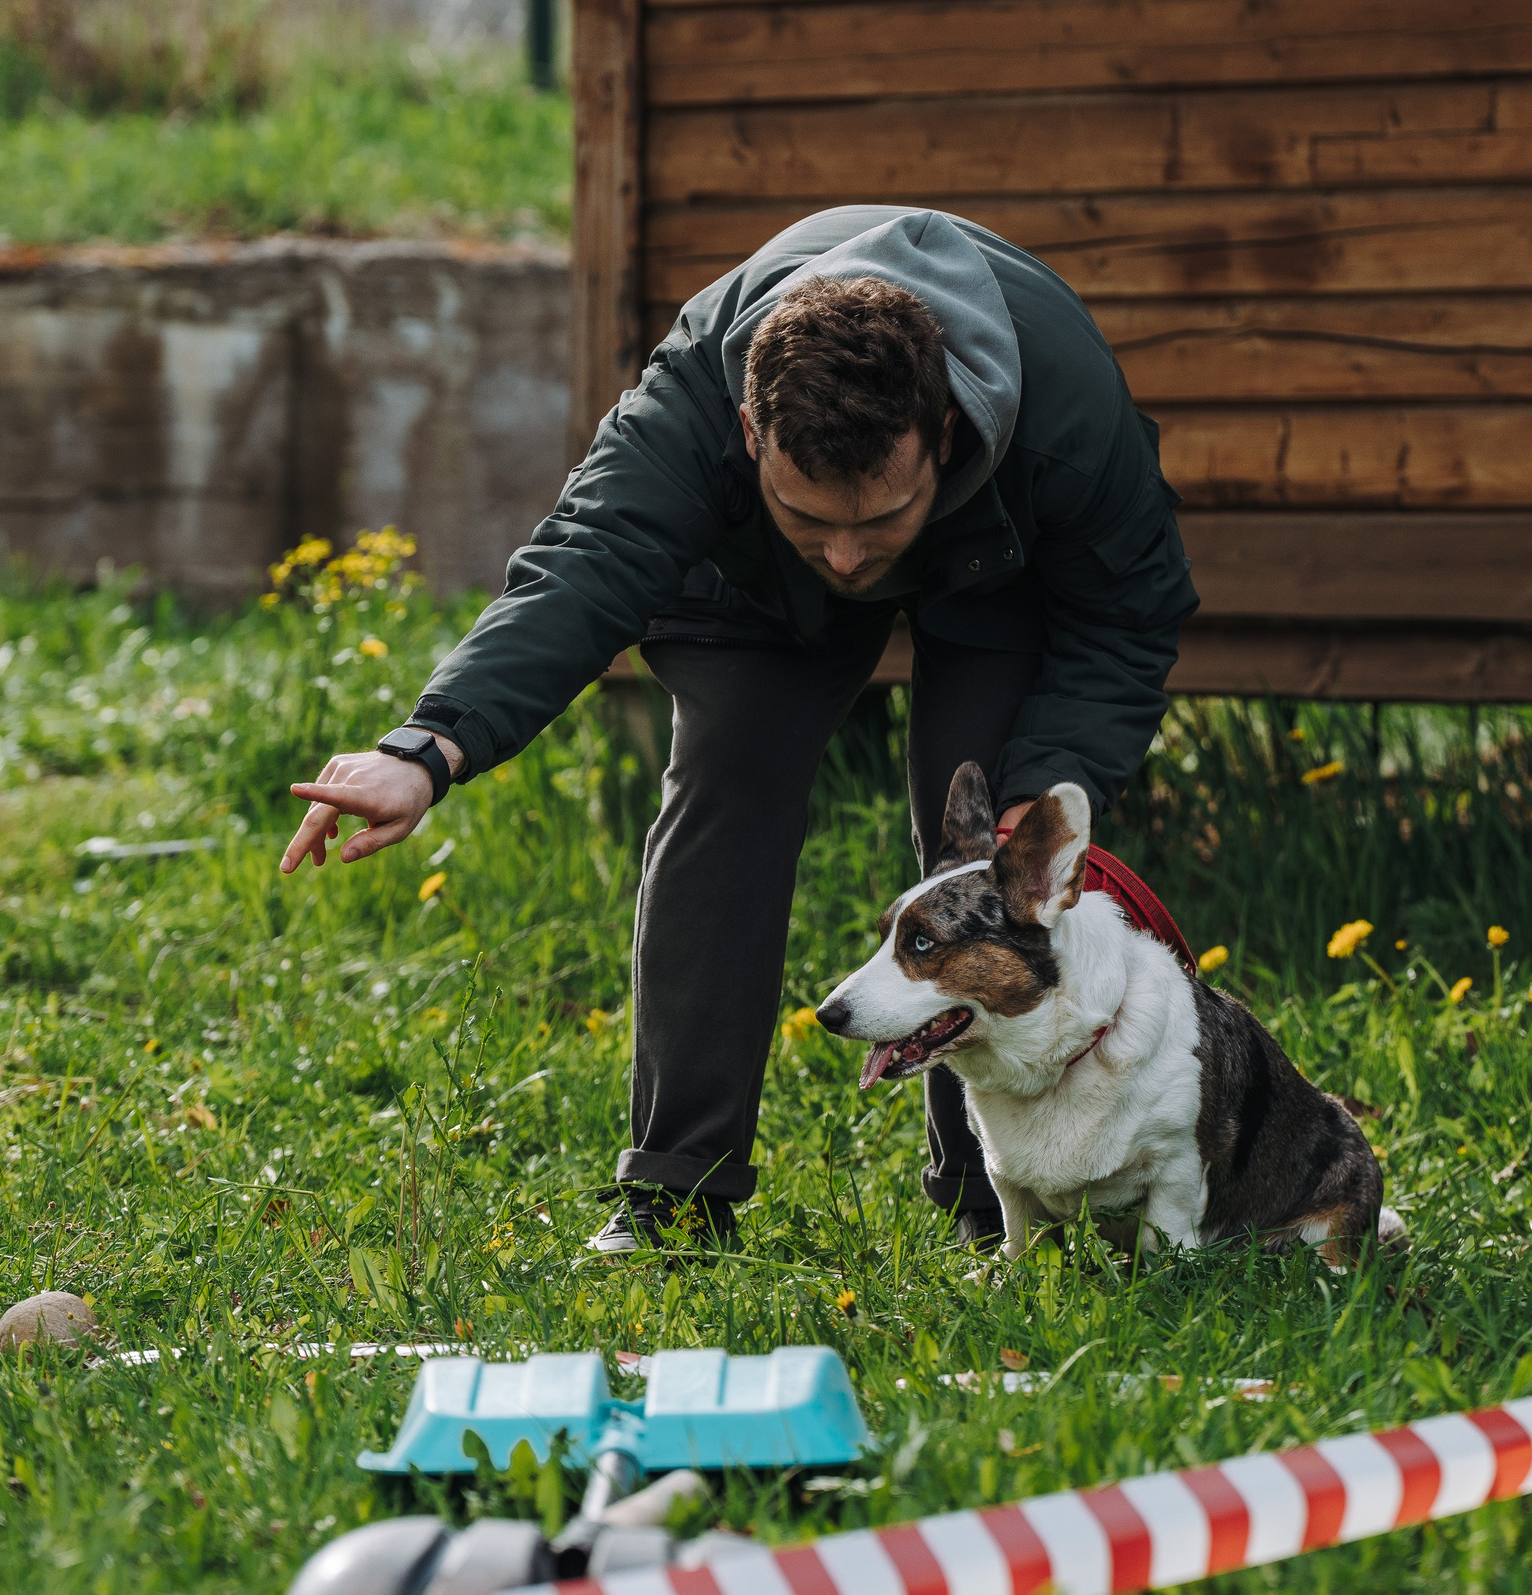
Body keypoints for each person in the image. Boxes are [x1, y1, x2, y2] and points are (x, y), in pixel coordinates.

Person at [278, 207, 1197, 1255]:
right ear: (752, 436)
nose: (849, 559)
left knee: (983, 847)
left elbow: (1128, 611)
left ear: (942, 435)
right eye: (816, 519)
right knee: (728, 787)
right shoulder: (693, 407)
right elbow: (585, 567)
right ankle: (678, 1194)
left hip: (993, 562)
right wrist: (428, 748)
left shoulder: (1063, 412)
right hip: (750, 587)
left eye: (878, 520)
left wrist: (1053, 774)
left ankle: (995, 1200)